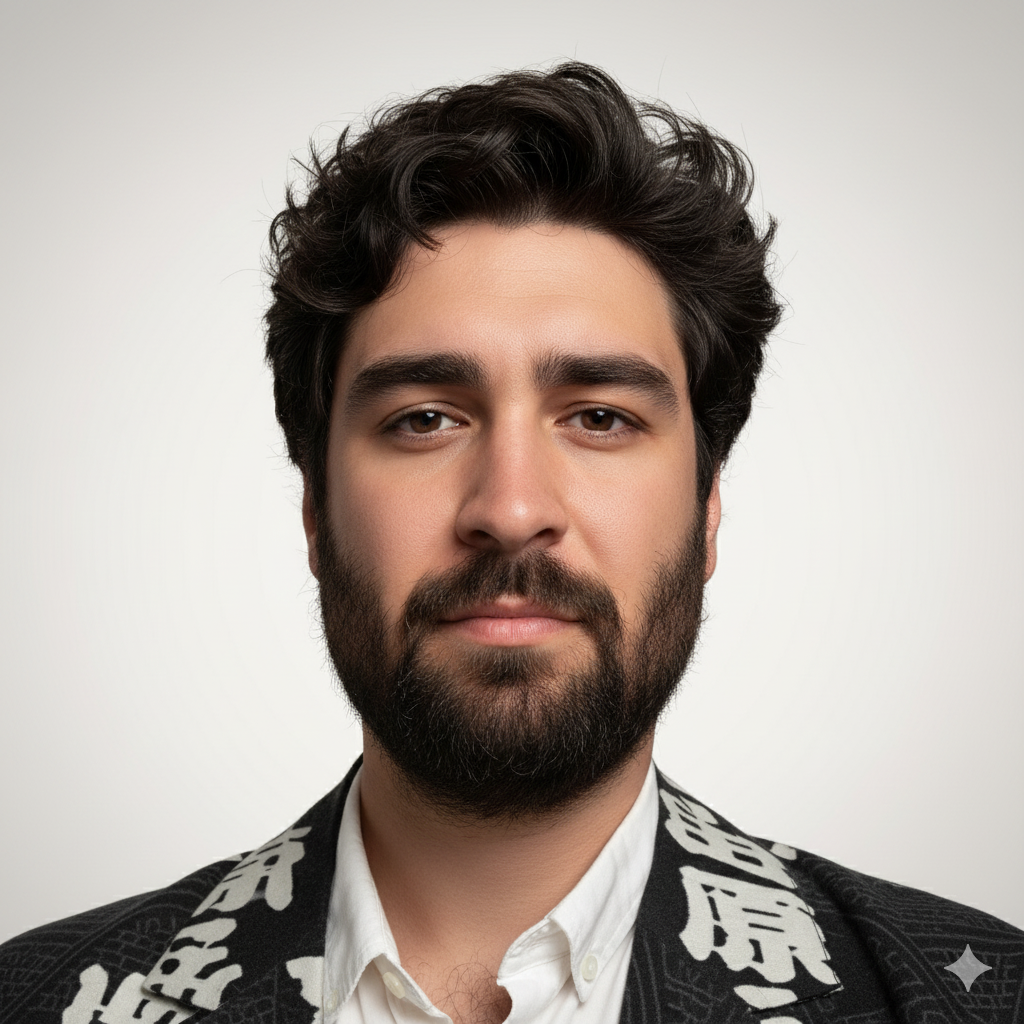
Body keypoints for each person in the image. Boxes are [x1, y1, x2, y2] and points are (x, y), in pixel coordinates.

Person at [0, 61, 1020, 1024]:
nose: (512, 506)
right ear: (314, 509)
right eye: (425, 419)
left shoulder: (972, 996)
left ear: (707, 509)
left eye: (600, 417)